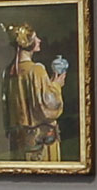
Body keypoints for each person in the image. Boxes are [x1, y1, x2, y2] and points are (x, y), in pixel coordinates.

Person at [7, 24, 69, 161]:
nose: (39, 40)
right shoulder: (36, 70)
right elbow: (49, 105)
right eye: (35, 37)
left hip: (19, 143)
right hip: (40, 143)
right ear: (28, 43)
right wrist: (57, 85)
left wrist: (49, 85)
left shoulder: (10, 71)